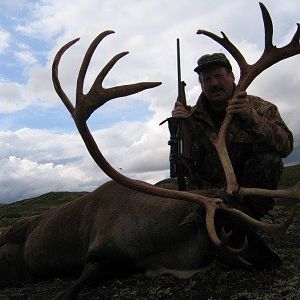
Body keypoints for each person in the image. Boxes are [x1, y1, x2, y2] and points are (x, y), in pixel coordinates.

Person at [172, 53, 294, 219]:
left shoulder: (260, 108)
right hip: (208, 195)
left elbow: (286, 146)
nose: (214, 84)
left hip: (247, 196)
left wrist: (252, 118)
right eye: (207, 79)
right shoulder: (190, 117)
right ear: (201, 84)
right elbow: (183, 163)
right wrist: (179, 126)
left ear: (232, 76)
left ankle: (256, 218)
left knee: (269, 160)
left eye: (219, 76)